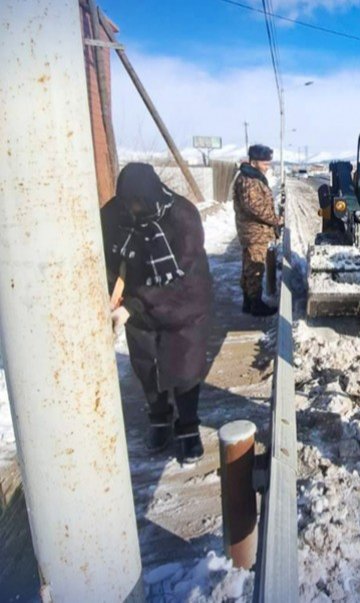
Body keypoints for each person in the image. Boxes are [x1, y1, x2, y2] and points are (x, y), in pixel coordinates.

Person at [101, 163, 213, 464]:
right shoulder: (115, 214)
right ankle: (159, 419)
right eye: (128, 203)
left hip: (183, 302)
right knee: (146, 366)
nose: (133, 209)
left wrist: (132, 306)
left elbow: (183, 278)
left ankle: (188, 427)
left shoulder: (182, 216)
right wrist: (111, 293)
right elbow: (104, 255)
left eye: (137, 203)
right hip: (136, 303)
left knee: (185, 366)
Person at [233, 144, 283, 316]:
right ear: (254, 162)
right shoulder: (249, 180)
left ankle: (249, 302)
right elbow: (255, 207)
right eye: (265, 163)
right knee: (255, 267)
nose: (267, 167)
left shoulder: (251, 177)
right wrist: (276, 220)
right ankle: (255, 304)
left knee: (249, 267)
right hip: (254, 232)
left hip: (253, 231)